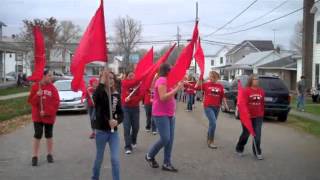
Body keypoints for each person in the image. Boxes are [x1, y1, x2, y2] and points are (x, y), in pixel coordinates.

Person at [145, 63, 183, 172]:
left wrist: (178, 86)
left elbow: (171, 95)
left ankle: (167, 163)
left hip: (170, 114)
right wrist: (177, 89)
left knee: (170, 140)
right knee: (165, 138)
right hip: (160, 114)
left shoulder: (169, 81)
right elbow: (163, 97)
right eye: (171, 70)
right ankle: (149, 155)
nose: (173, 72)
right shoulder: (161, 80)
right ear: (167, 71)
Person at [92, 69, 123, 180]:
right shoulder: (100, 94)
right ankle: (94, 177)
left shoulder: (116, 95)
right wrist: (101, 81)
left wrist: (117, 121)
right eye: (108, 78)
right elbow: (95, 99)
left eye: (112, 78)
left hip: (113, 132)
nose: (110, 80)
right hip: (101, 131)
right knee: (99, 158)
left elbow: (121, 113)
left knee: (115, 159)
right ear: (103, 80)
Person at [27, 69, 60, 166]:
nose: (51, 77)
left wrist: (46, 112)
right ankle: (34, 156)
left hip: (49, 116)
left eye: (52, 75)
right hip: (37, 116)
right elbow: (31, 102)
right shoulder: (36, 87)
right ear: (44, 76)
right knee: (38, 134)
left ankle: (49, 154)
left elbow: (56, 103)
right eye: (49, 75)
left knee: (49, 135)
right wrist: (37, 95)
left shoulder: (53, 89)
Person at [195, 71, 228, 149]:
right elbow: (196, 87)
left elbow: (223, 96)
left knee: (212, 123)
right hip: (208, 106)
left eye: (213, 77)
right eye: (210, 77)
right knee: (213, 123)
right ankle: (211, 141)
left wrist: (225, 105)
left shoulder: (220, 86)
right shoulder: (206, 84)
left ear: (216, 78)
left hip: (217, 107)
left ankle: (209, 135)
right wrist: (199, 79)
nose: (211, 78)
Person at [235, 74, 265, 160]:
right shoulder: (246, 91)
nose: (256, 80)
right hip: (247, 116)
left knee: (257, 134)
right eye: (254, 79)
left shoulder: (261, 91)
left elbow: (262, 103)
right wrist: (246, 113)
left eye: (257, 79)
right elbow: (243, 103)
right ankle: (239, 147)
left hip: (258, 116)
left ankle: (257, 151)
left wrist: (262, 112)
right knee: (246, 133)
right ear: (251, 80)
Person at [121, 72, 142, 154]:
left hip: (135, 108)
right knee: (126, 127)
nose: (131, 77)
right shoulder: (124, 83)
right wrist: (128, 99)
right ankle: (127, 146)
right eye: (130, 76)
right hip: (125, 108)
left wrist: (132, 100)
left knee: (136, 127)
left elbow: (140, 96)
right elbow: (123, 96)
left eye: (133, 76)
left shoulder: (138, 85)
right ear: (127, 77)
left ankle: (133, 140)